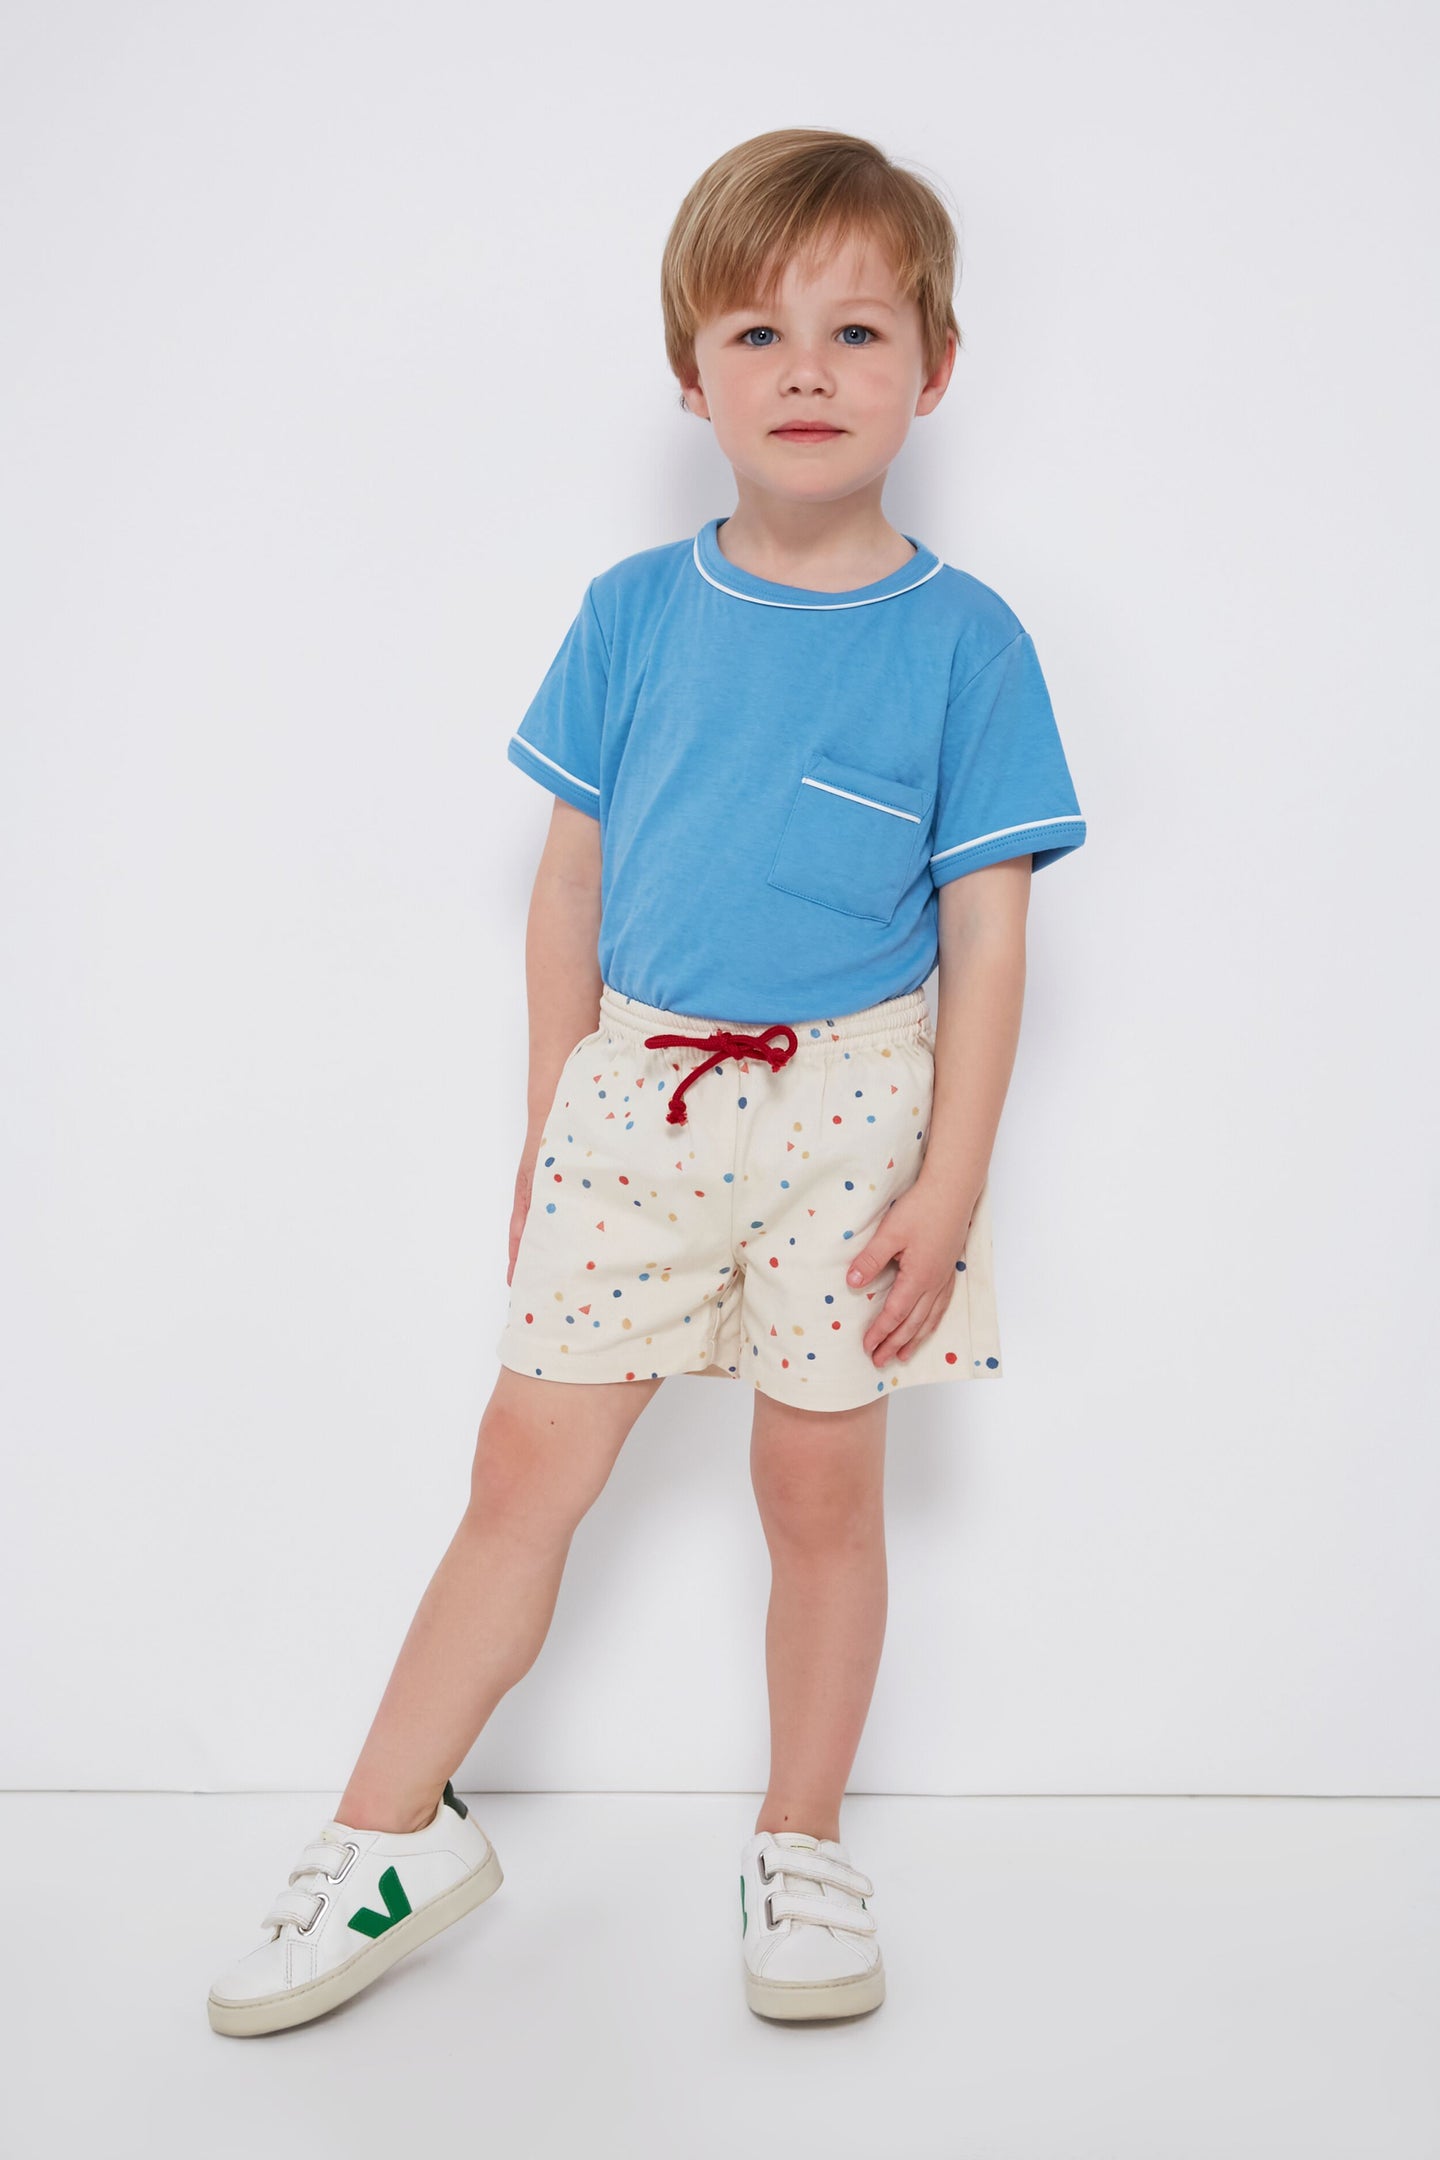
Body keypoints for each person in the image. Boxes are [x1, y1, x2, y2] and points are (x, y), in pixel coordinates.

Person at [206, 124, 1087, 2038]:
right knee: (523, 1462)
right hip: (637, 1094)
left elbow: (996, 936)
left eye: (858, 332)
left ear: (936, 368)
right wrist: (551, 1117)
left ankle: (801, 1836)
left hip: (859, 1111)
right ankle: (388, 1832)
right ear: (689, 368)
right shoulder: (630, 612)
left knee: (817, 1488)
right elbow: (572, 886)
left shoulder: (966, 641)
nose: (806, 372)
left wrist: (949, 1181)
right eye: (758, 332)